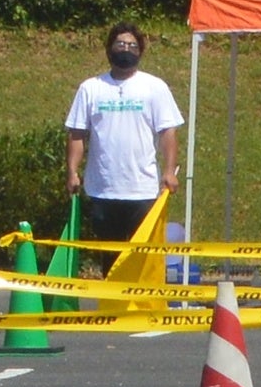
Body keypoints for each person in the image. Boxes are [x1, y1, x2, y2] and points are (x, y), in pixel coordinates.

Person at [64, 24, 184, 246]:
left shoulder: (154, 86)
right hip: (102, 190)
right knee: (110, 257)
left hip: (142, 190)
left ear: (140, 52)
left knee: (141, 258)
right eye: (120, 44)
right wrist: (72, 172)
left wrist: (169, 171)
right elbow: (77, 133)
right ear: (109, 49)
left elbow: (168, 131)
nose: (126, 49)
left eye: (132, 46)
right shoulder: (90, 88)